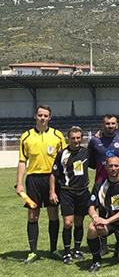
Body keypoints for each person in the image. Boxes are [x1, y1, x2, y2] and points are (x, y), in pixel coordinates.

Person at [16, 105, 66, 264]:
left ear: (50, 118)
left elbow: (65, 160)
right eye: (40, 115)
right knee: (33, 215)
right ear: (35, 117)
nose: (42, 118)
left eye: (45, 115)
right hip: (33, 180)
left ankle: (53, 249)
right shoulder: (26, 136)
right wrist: (19, 183)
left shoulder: (57, 135)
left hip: (52, 179)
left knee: (53, 214)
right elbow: (22, 161)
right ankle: (33, 251)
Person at [86, 156, 119, 272]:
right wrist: (95, 217)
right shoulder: (99, 185)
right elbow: (91, 207)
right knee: (92, 228)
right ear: (106, 167)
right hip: (107, 224)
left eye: (116, 166)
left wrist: (108, 220)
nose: (113, 168)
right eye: (110, 166)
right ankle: (96, 260)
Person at [49, 126, 90, 265]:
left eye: (78, 138)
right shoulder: (62, 154)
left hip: (83, 191)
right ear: (68, 139)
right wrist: (52, 192)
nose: (76, 141)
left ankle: (77, 250)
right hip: (67, 192)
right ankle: (67, 252)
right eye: (73, 138)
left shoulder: (86, 152)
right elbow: (53, 174)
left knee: (79, 222)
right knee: (68, 223)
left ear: (82, 138)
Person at [88, 114, 119, 182]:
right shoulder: (95, 141)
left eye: (113, 123)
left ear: (117, 125)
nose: (110, 126)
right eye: (107, 123)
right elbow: (90, 161)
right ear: (103, 125)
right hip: (101, 181)